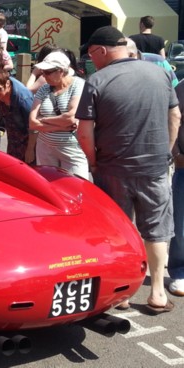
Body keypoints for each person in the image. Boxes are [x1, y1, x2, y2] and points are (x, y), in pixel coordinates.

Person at [76, 26, 181, 314]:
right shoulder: (161, 73)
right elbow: (175, 115)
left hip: (112, 168)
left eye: (90, 55)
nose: (90, 60)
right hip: (155, 167)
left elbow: (84, 132)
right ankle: (158, 292)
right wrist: (166, 151)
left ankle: (121, 294)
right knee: (158, 230)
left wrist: (92, 161)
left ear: (101, 51)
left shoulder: (97, 80)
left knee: (119, 232)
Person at [29, 51, 88, 179]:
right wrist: (61, 126)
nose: (44, 76)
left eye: (48, 72)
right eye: (43, 72)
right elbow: (32, 123)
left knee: (77, 188)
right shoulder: (43, 89)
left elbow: (71, 117)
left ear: (61, 71)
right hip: (45, 148)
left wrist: (43, 120)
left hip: (71, 149)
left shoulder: (78, 84)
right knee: (49, 188)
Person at [0, 68, 35, 162]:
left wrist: (30, 149)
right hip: (13, 138)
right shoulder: (2, 92)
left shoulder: (23, 100)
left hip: (27, 140)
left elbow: (33, 127)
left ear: (7, 84)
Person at [169, 79, 184, 297]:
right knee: (181, 223)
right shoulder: (182, 86)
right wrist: (176, 153)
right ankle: (180, 271)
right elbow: (173, 118)